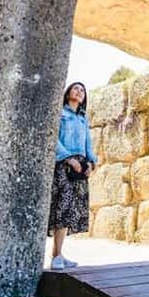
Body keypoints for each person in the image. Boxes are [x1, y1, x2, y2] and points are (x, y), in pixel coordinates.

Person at [47, 82, 97, 270]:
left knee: (71, 210)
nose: (79, 91)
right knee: (62, 206)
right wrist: (68, 158)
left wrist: (91, 163)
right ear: (68, 93)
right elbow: (54, 139)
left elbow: (88, 144)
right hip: (65, 165)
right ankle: (56, 256)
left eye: (83, 90)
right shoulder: (60, 114)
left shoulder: (83, 120)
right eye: (76, 88)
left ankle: (58, 254)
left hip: (81, 166)